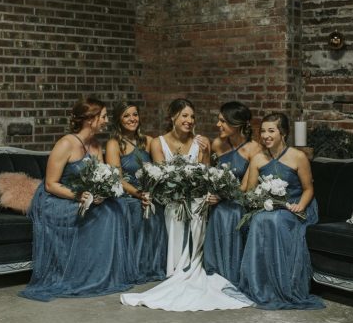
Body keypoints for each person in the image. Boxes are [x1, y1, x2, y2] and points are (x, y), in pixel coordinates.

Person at [120, 98, 253, 311]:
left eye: (192, 116)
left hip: (198, 196)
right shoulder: (158, 143)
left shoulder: (202, 141)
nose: (189, 120)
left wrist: (206, 153)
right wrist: (177, 192)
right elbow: (160, 177)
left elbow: (207, 175)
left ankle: (192, 263)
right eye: (184, 115)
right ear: (173, 116)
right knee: (174, 210)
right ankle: (174, 267)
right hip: (171, 198)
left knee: (197, 205)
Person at [19, 95, 135, 301]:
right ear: (91, 120)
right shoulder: (66, 144)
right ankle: (82, 276)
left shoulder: (96, 145)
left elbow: (101, 176)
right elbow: (50, 184)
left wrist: (101, 192)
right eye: (104, 117)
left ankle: (103, 274)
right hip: (59, 199)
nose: (107, 121)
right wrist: (79, 196)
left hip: (87, 196)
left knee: (115, 208)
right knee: (97, 214)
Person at [238, 112, 325, 310]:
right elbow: (250, 193)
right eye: (262, 131)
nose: (265, 135)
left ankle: (284, 286)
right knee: (260, 219)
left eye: (271, 131)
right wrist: (259, 201)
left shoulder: (298, 156)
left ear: (283, 132)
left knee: (274, 220)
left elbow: (308, 189)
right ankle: (260, 285)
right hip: (268, 207)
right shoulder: (258, 159)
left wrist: (300, 206)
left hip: (296, 206)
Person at [105, 100, 167, 283]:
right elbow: (117, 178)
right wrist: (138, 194)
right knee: (135, 208)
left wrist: (152, 192)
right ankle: (135, 268)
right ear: (118, 120)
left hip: (148, 193)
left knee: (158, 206)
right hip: (127, 194)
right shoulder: (114, 144)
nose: (132, 119)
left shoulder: (148, 141)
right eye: (126, 115)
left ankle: (154, 266)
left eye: (135, 114)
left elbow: (160, 169)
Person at [203, 101, 261, 286]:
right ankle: (214, 269)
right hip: (218, 200)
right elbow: (209, 174)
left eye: (223, 121)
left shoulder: (254, 148)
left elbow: (246, 188)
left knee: (230, 211)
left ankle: (231, 271)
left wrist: (222, 196)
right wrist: (212, 194)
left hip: (240, 201)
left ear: (236, 124)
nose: (218, 125)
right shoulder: (218, 144)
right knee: (216, 209)